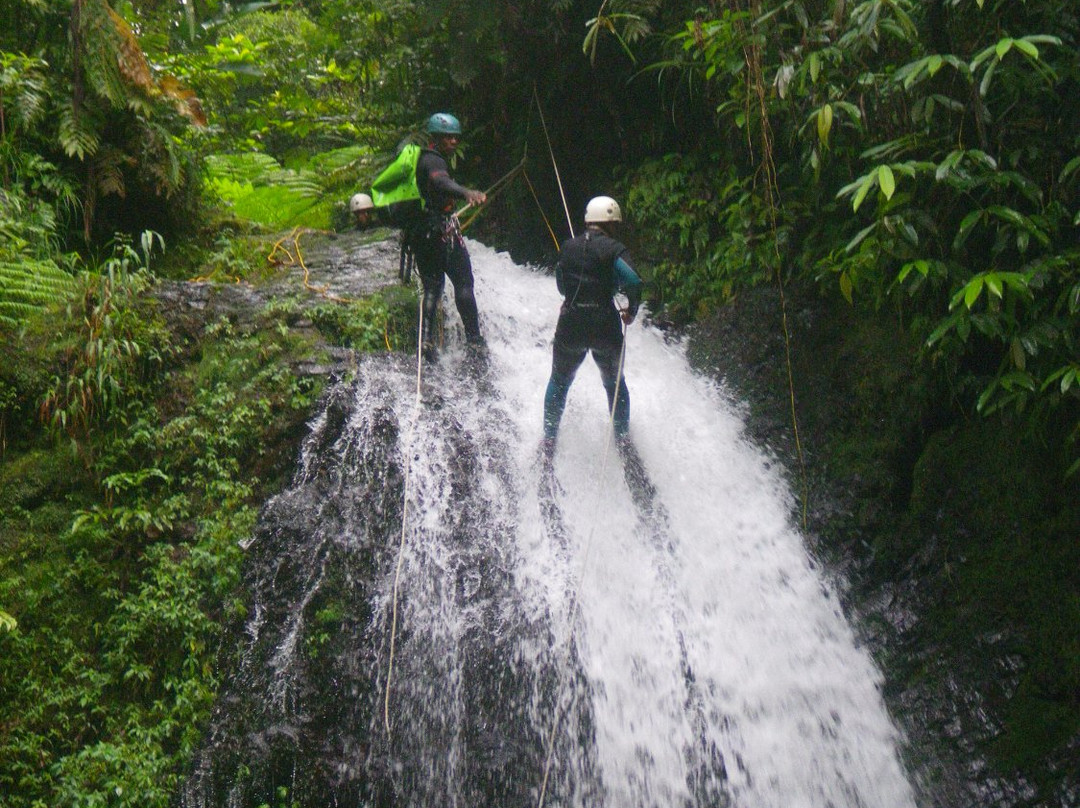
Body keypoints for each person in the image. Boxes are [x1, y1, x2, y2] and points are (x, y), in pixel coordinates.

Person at [542, 195, 644, 451]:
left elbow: (561, 286)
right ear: (610, 223)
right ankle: (622, 439)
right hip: (604, 326)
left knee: (559, 380)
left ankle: (549, 438)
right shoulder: (614, 249)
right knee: (614, 383)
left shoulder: (567, 247)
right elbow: (633, 281)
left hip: (571, 325)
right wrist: (631, 310)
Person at [409, 112, 487, 360]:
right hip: (440, 233)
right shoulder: (433, 161)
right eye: (448, 138)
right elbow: (441, 182)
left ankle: (426, 342)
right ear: (436, 138)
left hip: (422, 234)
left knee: (432, 288)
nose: (453, 142)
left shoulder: (423, 159)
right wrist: (467, 193)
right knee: (463, 283)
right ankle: (474, 341)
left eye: (455, 138)